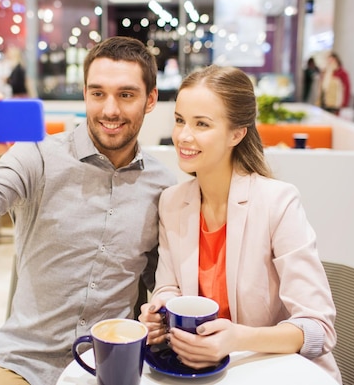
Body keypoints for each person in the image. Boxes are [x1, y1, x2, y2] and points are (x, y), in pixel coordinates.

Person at [0, 36, 176, 385]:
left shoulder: (163, 186)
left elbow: (163, 282)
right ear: (85, 93)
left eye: (126, 95)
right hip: (25, 365)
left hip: (110, 365)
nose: (110, 110)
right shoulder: (36, 156)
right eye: (98, 93)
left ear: (150, 100)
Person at [138, 65, 341, 383]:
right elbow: (169, 285)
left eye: (201, 124)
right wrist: (161, 308)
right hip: (201, 372)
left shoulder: (278, 202)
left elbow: (319, 329)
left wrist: (237, 338)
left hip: (273, 373)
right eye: (180, 120)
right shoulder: (173, 202)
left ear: (237, 133)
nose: (184, 136)